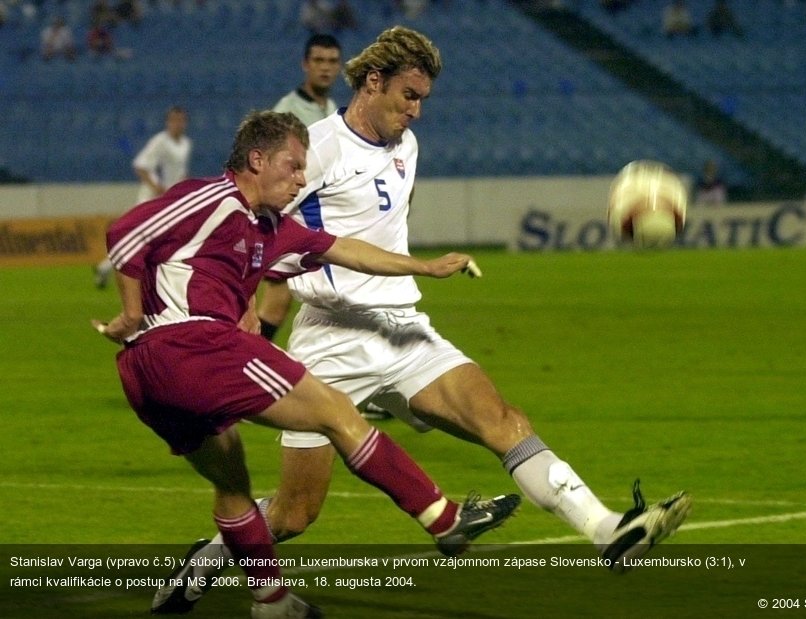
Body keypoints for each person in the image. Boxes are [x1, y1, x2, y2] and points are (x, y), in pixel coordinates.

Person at [155, 27, 692, 614]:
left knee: (502, 419)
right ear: (373, 82)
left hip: (403, 328)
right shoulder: (318, 148)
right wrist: (245, 310)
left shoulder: (407, 147)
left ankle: (606, 529)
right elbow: (254, 226)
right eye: (408, 96)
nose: (415, 110)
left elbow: (384, 233)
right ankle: (207, 557)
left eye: (423, 100)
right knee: (296, 512)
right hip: (331, 340)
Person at [94, 109, 520, 619]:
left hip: (149, 375)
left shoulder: (272, 228)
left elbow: (348, 251)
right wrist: (132, 312)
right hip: (191, 346)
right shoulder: (213, 197)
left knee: (232, 484)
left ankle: (270, 601)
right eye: (293, 167)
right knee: (337, 412)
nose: (301, 179)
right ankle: (445, 520)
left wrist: (424, 266)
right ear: (256, 159)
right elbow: (124, 232)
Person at [258, 34, 342, 342]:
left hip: (319, 219)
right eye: (318, 61)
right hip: (290, 215)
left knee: (292, 301)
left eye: (332, 61)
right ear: (305, 65)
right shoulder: (288, 111)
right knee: (279, 296)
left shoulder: (332, 108)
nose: (325, 68)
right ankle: (243, 363)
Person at [95, 106, 192, 288]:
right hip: (151, 199)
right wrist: (157, 187)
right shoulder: (160, 142)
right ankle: (112, 268)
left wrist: (182, 188)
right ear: (168, 122)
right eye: (174, 120)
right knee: (139, 240)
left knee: (153, 240)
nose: (177, 124)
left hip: (170, 201)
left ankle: (106, 268)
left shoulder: (185, 144)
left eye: (181, 120)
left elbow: (181, 171)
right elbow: (140, 166)